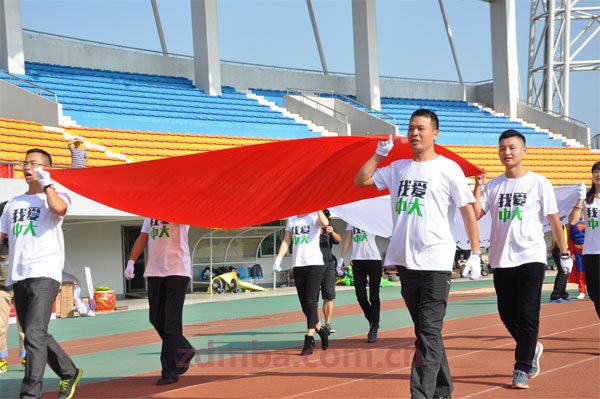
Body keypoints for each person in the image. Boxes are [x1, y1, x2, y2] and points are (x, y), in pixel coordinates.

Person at [354, 109, 482, 399]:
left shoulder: (448, 169)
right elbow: (361, 181)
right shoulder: (398, 168)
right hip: (405, 262)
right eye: (411, 128)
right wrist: (378, 155)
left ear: (435, 133)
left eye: (421, 128)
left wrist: (475, 252)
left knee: (427, 333)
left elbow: (468, 212)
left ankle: (420, 395)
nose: (414, 133)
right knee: (427, 332)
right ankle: (443, 390)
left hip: (435, 262)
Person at [472, 130, 572, 390]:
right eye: (502, 148)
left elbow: (553, 220)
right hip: (501, 258)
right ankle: (532, 346)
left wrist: (564, 253)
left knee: (528, 315)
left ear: (524, 151)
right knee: (506, 314)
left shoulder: (539, 183)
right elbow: (475, 213)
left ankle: (521, 368)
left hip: (531, 256)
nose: (507, 152)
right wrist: (478, 185)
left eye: (512, 147)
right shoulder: (494, 185)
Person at [0, 148, 83, 399]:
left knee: (33, 334)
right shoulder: (12, 204)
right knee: (38, 333)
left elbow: (58, 210)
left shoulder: (57, 196)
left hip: (45, 272)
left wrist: (47, 184)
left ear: (45, 168)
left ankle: (30, 395)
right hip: (19, 275)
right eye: (25, 163)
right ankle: (69, 372)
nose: (27, 167)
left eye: (33, 163)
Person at [125, 218, 196, 385]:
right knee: (156, 318)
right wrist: (131, 261)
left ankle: (170, 371)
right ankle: (184, 348)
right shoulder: (150, 214)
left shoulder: (181, 208)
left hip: (177, 268)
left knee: (172, 322)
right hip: (155, 270)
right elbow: (143, 237)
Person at [273, 211, 331, 355]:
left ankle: (309, 339)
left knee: (311, 301)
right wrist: (278, 258)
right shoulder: (291, 218)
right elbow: (287, 240)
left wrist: (317, 208)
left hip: (315, 264)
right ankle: (320, 329)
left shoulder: (314, 216)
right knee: (304, 306)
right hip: (298, 265)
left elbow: (325, 224)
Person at [339, 223, 383, 343]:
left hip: (374, 260)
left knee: (374, 296)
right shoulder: (351, 220)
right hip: (357, 261)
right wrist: (340, 260)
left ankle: (373, 327)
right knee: (361, 296)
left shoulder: (372, 217)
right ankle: (373, 320)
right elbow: (348, 240)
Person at [568, 161, 600, 317]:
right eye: (596, 171)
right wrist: (580, 199)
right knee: (594, 293)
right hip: (591, 252)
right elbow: (573, 221)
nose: (598, 174)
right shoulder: (587, 199)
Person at [0, 201, 26, 374]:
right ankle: (1, 359)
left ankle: (26, 357)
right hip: (1, 288)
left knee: (25, 325)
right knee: (0, 326)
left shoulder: (22, 238)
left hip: (21, 286)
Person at [319, 209, 341, 333]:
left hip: (328, 265)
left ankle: (327, 323)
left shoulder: (330, 228)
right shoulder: (311, 228)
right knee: (311, 298)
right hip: (314, 266)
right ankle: (314, 324)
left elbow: (338, 240)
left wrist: (332, 232)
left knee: (328, 296)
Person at [567, 217, 587, 299]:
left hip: (589, 250)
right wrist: (572, 252)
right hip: (577, 250)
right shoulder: (572, 224)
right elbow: (570, 239)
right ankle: (582, 291)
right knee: (580, 270)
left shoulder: (590, 221)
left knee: (593, 270)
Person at [548, 234, 572, 302]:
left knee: (565, 271)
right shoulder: (560, 224)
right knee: (562, 271)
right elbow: (557, 236)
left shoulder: (564, 225)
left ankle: (563, 294)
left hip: (564, 249)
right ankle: (555, 295)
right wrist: (553, 247)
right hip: (559, 249)